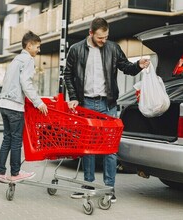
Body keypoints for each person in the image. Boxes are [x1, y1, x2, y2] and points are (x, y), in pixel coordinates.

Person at [63, 17, 150, 202]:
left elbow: (126, 67)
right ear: (91, 33)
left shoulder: (113, 48)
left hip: (108, 104)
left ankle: (109, 189)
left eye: (106, 36)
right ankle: (88, 185)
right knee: (88, 148)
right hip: (85, 104)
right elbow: (68, 75)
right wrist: (73, 97)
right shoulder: (76, 50)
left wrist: (138, 66)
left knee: (110, 149)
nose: (104, 40)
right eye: (100, 37)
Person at [0, 31, 48, 184]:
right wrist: (38, 102)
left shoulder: (15, 60)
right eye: (37, 47)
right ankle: (16, 173)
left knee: (7, 139)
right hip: (14, 106)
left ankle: (0, 172)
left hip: (3, 104)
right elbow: (26, 83)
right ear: (29, 45)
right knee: (17, 140)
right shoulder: (28, 60)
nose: (39, 50)